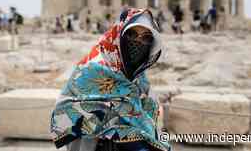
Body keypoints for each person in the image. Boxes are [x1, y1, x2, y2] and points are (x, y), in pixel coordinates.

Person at [50, 8, 170, 151]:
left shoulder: (140, 79)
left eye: (146, 38)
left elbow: (150, 121)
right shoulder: (91, 69)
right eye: (131, 34)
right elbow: (64, 114)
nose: (138, 42)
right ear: (119, 35)